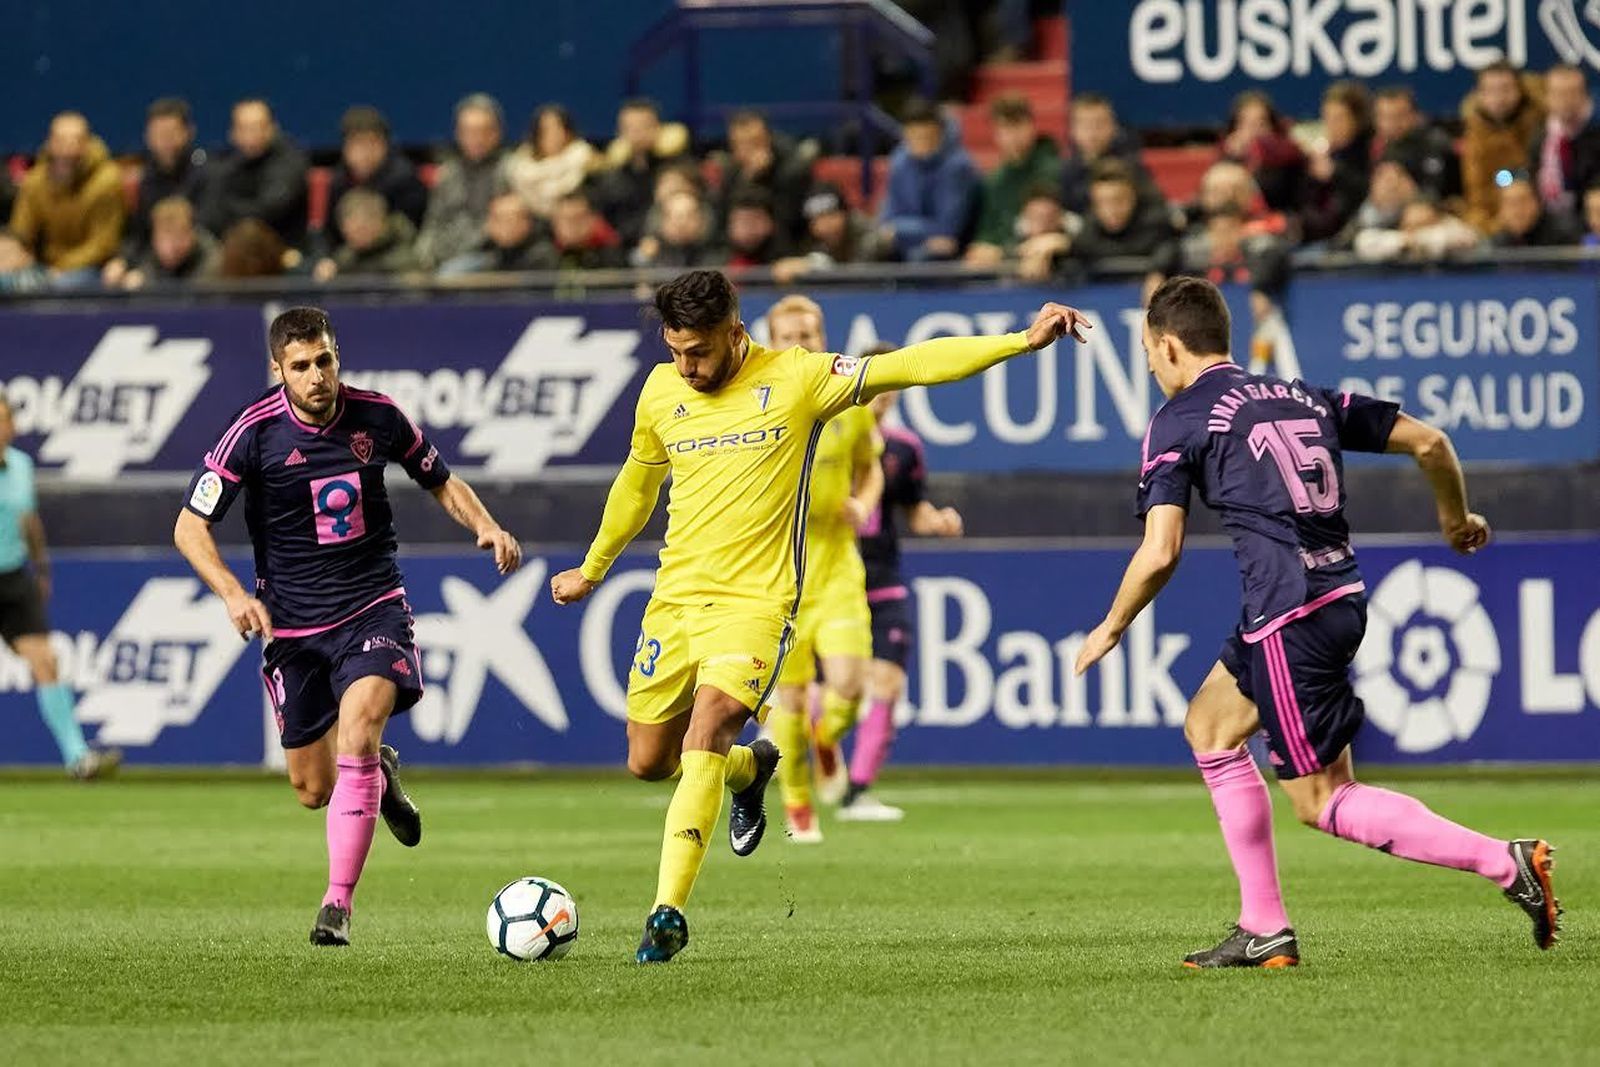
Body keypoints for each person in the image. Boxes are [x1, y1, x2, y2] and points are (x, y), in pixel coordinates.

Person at [549, 269, 1090, 962]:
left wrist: (1020, 340)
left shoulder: (799, 379)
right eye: (676, 351)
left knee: (709, 724)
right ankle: (749, 772)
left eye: (699, 352)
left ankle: (667, 914)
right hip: (675, 602)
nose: (687, 367)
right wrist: (593, 567)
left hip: (757, 604)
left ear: (735, 333)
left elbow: (911, 364)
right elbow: (637, 483)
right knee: (649, 760)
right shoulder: (661, 390)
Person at [1074, 276, 1559, 968]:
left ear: (1170, 346)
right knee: (1210, 727)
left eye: (1149, 352)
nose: (1151, 366)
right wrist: (1456, 520)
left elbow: (1161, 550)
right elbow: (1430, 442)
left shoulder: (1179, 418)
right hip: (1331, 596)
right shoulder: (1301, 394)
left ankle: (1506, 862)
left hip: (1289, 613)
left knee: (1324, 799)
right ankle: (1263, 926)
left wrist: (1112, 625)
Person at [172, 307, 522, 947]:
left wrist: (487, 526)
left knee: (357, 732)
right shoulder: (252, 431)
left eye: (324, 360)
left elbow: (441, 480)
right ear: (278, 370)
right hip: (292, 627)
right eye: (301, 366)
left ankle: (337, 905)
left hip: (372, 605)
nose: (316, 376)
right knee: (313, 788)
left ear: (338, 357)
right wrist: (231, 594)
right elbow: (189, 526)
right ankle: (378, 777)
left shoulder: (379, 416)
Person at [761, 297, 884, 843]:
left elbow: (870, 468)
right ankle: (797, 805)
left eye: (808, 335)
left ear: (823, 338)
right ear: (770, 344)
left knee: (850, 687)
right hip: (778, 579)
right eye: (788, 336)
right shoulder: (755, 408)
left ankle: (825, 735)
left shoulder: (849, 402)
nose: (800, 345)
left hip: (836, 571)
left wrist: (863, 503)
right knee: (786, 702)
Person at [844, 359, 965, 821]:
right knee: (833, 688)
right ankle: (795, 768)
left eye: (892, 387)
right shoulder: (831, 436)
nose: (884, 396)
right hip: (831, 580)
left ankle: (858, 790)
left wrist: (937, 521)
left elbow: (913, 510)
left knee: (888, 682)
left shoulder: (904, 447)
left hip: (883, 577)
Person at [0, 393, 120, 779]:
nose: (2, 428)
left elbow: (28, 520)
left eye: (5, 419)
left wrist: (41, 567)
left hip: (13, 576)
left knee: (46, 661)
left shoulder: (20, 465)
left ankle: (77, 758)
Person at [8, 111, 125, 286]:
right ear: (50, 143)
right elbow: (21, 233)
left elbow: (103, 245)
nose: (68, 150)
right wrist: (17, 255)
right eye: (61, 141)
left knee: (63, 284)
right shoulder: (35, 182)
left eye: (76, 142)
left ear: (87, 144)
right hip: (43, 267)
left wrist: (60, 268)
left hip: (92, 267)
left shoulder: (107, 182)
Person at [103, 97, 209, 288]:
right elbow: (139, 234)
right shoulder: (146, 179)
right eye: (158, 134)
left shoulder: (206, 174)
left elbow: (208, 229)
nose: (165, 141)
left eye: (171, 133)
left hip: (197, 264)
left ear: (188, 132)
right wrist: (124, 261)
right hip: (155, 263)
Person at [200, 99, 310, 249]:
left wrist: (227, 209)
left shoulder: (290, 161)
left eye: (258, 127)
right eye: (243, 128)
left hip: (285, 248)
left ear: (273, 128)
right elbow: (210, 214)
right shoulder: (225, 164)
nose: (251, 135)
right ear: (232, 133)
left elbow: (269, 211)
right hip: (232, 249)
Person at [965, 95, 1062, 266]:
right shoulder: (994, 181)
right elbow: (987, 230)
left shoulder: (1055, 170)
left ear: (1031, 126)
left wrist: (1004, 250)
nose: (1013, 136)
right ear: (995, 134)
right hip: (1004, 262)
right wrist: (983, 246)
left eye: (1017, 126)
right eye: (1005, 129)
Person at [880, 100, 979, 262]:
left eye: (925, 138)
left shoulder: (958, 167)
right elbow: (887, 219)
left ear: (938, 132)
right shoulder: (899, 161)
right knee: (876, 250)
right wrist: (897, 231)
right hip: (910, 242)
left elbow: (947, 229)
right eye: (913, 138)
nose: (919, 144)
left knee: (921, 257)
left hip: (954, 250)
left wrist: (897, 230)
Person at [417, 93, 508, 269]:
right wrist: (422, 258)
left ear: (497, 133)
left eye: (483, 131)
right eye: (469, 131)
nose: (477, 139)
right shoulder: (447, 174)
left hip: (493, 257)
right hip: (447, 254)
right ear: (458, 134)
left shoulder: (510, 171)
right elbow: (433, 224)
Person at [322, 106, 428, 252]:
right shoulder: (338, 181)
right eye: (357, 143)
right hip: (348, 257)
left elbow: (412, 232)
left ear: (385, 145)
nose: (365, 152)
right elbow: (329, 234)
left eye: (372, 143)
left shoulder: (405, 180)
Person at [1460, 62, 1544, 233]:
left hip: (1544, 219)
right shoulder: (1475, 138)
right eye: (1490, 90)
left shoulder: (1543, 122)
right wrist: (1495, 227)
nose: (1498, 98)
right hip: (1498, 226)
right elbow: (1477, 198)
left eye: (1505, 89)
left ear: (1519, 90)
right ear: (1479, 95)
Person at [596, 98, 690, 247]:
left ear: (658, 128)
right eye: (629, 127)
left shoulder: (679, 170)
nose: (637, 133)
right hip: (625, 249)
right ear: (619, 132)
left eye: (644, 126)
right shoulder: (610, 178)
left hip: (671, 247)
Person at [718, 109, 813, 245]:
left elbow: (787, 223)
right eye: (740, 144)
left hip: (786, 243)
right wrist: (747, 179)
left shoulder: (793, 169)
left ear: (768, 139)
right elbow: (723, 218)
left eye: (755, 143)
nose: (748, 150)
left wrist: (760, 178)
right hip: (740, 245)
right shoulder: (733, 170)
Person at [1300, 81, 1373, 244]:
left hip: (1359, 234)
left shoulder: (1371, 147)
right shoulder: (1324, 151)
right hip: (1320, 237)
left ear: (1357, 119)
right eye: (1327, 117)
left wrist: (1335, 172)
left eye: (1339, 118)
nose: (1332, 125)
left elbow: (1369, 190)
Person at [1059, 93, 1153, 216]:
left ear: (1113, 127)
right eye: (1085, 125)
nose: (1092, 132)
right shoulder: (1064, 170)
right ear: (1073, 130)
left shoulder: (1131, 167)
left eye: (1099, 124)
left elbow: (1154, 208)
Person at [500, 105, 596, 222]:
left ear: (569, 132)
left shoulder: (587, 164)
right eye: (545, 130)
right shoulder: (521, 170)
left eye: (558, 128)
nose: (553, 136)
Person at [1531, 64, 1600, 216]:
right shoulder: (1540, 137)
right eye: (1558, 94)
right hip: (1549, 218)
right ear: (1547, 97)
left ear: (1586, 96)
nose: (1566, 101)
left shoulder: (1596, 132)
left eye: (1572, 93)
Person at [1221, 91, 1306, 214]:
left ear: (1272, 127)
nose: (1253, 131)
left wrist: (1260, 151)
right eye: (1246, 124)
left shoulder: (1290, 160)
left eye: (1261, 123)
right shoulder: (1226, 157)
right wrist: (1232, 158)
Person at [1371, 86, 1460, 200]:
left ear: (1414, 115)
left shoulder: (1434, 142)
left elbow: (1435, 193)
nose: (1390, 124)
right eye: (1384, 116)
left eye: (1398, 116)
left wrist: (1410, 191)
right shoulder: (1383, 146)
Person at [314, 189, 423, 281]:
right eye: (348, 230)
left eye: (361, 229)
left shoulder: (405, 257)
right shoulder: (344, 257)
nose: (354, 236)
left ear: (380, 223)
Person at [121, 196, 221, 288]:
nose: (169, 248)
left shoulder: (209, 256)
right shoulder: (148, 252)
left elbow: (195, 296)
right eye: (162, 239)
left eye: (177, 238)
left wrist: (147, 286)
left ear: (191, 234)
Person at [631, 190, 718, 269]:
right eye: (677, 217)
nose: (682, 223)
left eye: (689, 216)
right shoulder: (652, 252)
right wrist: (644, 257)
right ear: (663, 220)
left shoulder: (714, 253)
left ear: (701, 220)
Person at [1491, 172, 1582, 247]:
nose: (1517, 210)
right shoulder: (1499, 244)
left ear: (1538, 203)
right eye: (1510, 203)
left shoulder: (1562, 236)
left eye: (1523, 201)